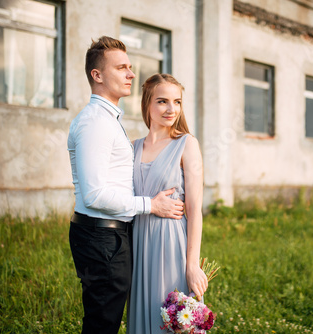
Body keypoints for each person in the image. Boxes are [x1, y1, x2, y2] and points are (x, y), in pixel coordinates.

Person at [68, 37, 184, 334]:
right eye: (121, 68)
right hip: (101, 236)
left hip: (108, 235)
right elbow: (94, 195)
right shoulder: (96, 122)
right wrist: (151, 204)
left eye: (130, 67)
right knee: (102, 324)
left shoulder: (108, 119)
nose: (131, 74)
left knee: (104, 319)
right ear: (97, 75)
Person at [127, 74, 209, 333]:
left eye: (177, 102)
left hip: (171, 245)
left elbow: (195, 211)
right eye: (162, 101)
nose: (171, 109)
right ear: (147, 104)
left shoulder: (187, 144)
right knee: (145, 315)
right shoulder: (132, 148)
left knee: (171, 320)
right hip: (139, 244)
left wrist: (192, 264)